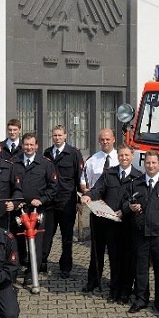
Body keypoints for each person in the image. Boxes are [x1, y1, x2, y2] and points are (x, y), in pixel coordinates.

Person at [124, 150, 159, 317]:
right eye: (148, 163)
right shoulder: (136, 184)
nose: (151, 166)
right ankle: (141, 299)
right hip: (140, 233)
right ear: (144, 164)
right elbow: (125, 203)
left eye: (154, 163)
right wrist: (129, 207)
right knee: (140, 269)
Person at [83, 142, 141, 303]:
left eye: (126, 155)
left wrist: (125, 210)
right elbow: (98, 189)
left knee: (127, 260)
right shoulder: (109, 174)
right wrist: (89, 195)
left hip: (128, 225)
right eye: (121, 155)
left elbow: (137, 199)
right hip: (111, 225)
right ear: (118, 156)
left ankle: (125, 292)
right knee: (114, 259)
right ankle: (114, 291)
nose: (123, 158)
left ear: (132, 156)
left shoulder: (138, 177)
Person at [9, 132, 57, 278]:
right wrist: (16, 201)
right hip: (19, 209)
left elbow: (53, 186)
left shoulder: (46, 164)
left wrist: (42, 199)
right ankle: (16, 268)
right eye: (26, 144)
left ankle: (32, 273)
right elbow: (10, 185)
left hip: (38, 209)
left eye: (31, 144)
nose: (29, 147)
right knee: (17, 240)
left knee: (36, 241)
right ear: (21, 145)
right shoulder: (14, 163)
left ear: (36, 146)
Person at [41, 126, 84, 278]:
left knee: (67, 237)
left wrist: (79, 200)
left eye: (60, 135)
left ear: (65, 136)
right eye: (55, 135)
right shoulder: (47, 153)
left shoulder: (74, 153)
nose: (57, 138)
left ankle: (65, 267)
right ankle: (42, 262)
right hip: (50, 202)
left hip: (67, 201)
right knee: (46, 235)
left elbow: (80, 178)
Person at [80, 128, 119, 293]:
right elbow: (83, 182)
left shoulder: (122, 158)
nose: (105, 142)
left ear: (114, 139)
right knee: (97, 248)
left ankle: (115, 283)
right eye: (102, 139)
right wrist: (87, 193)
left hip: (116, 211)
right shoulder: (92, 160)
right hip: (96, 210)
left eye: (108, 139)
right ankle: (93, 280)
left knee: (115, 249)